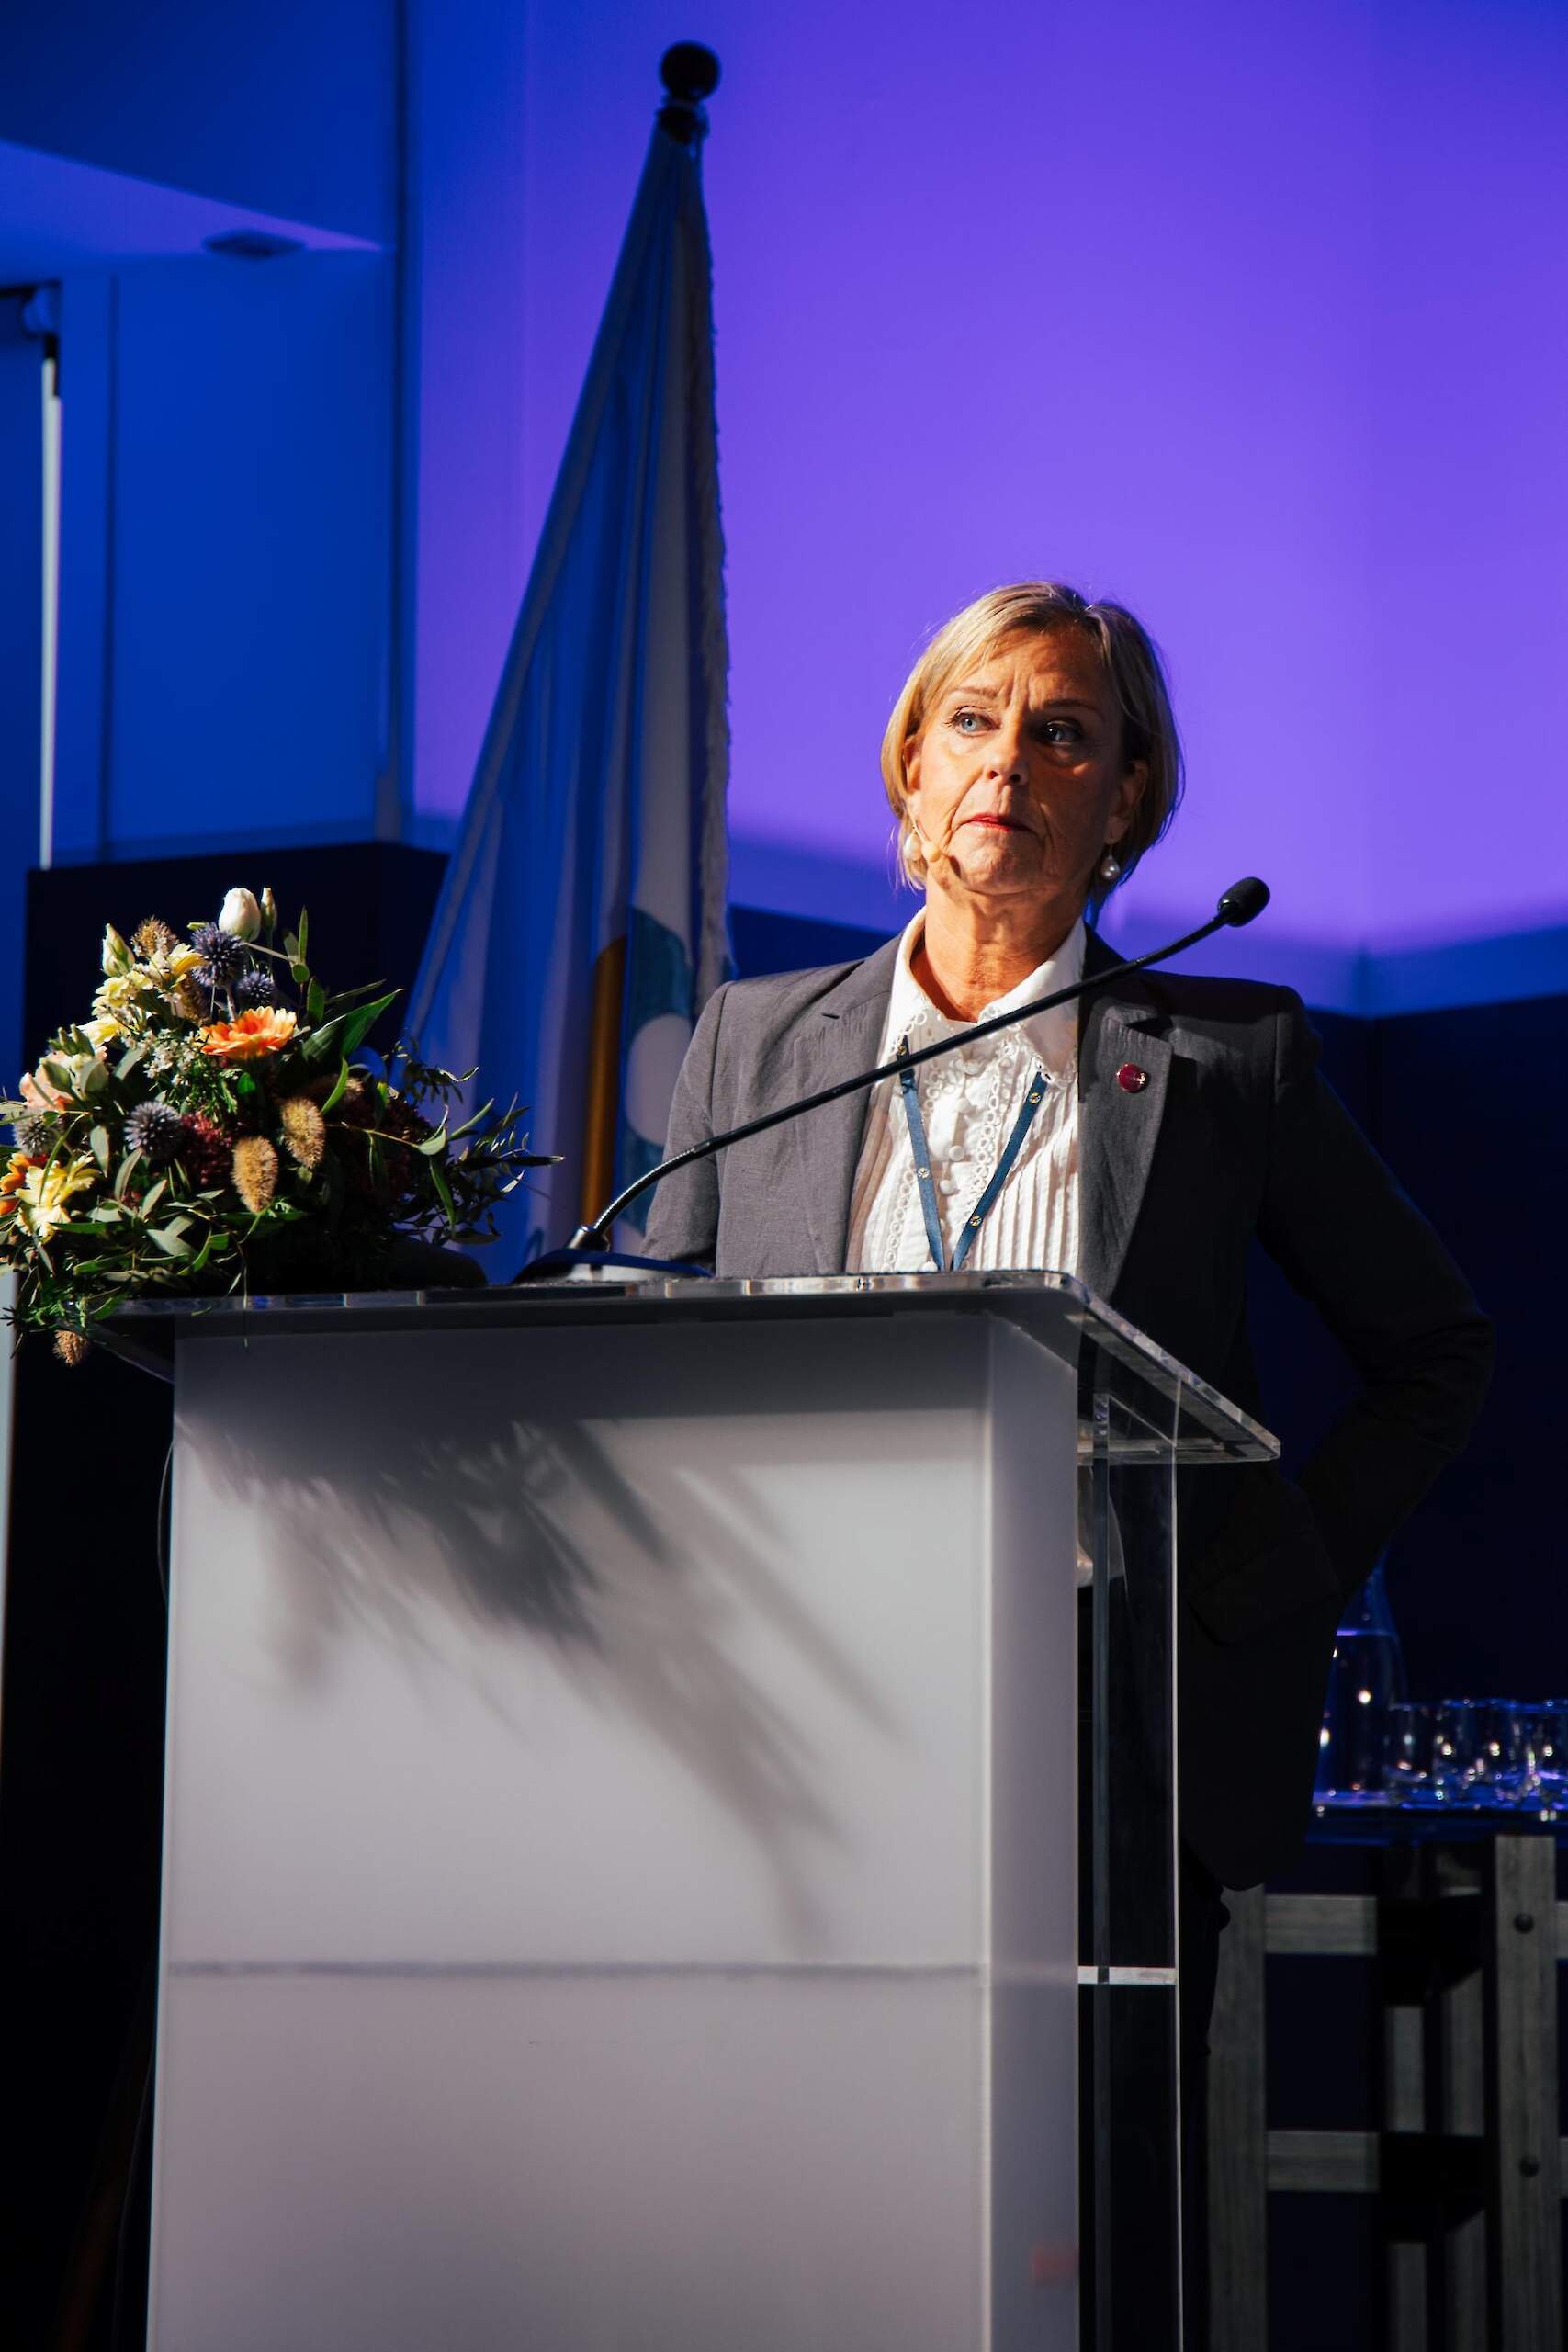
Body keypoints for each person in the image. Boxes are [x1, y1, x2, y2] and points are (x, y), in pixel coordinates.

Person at [642, 578, 1492, 2306]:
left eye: (1064, 734)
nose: (1008, 764)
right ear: (910, 762)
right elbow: (657, 1356)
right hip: (796, 1709)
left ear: (1126, 800)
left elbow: (1435, 1347)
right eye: (973, 721)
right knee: (797, 2219)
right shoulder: (758, 1043)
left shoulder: (1228, 1061)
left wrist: (1267, 1566)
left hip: (1107, 1716)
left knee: (1077, 2234)